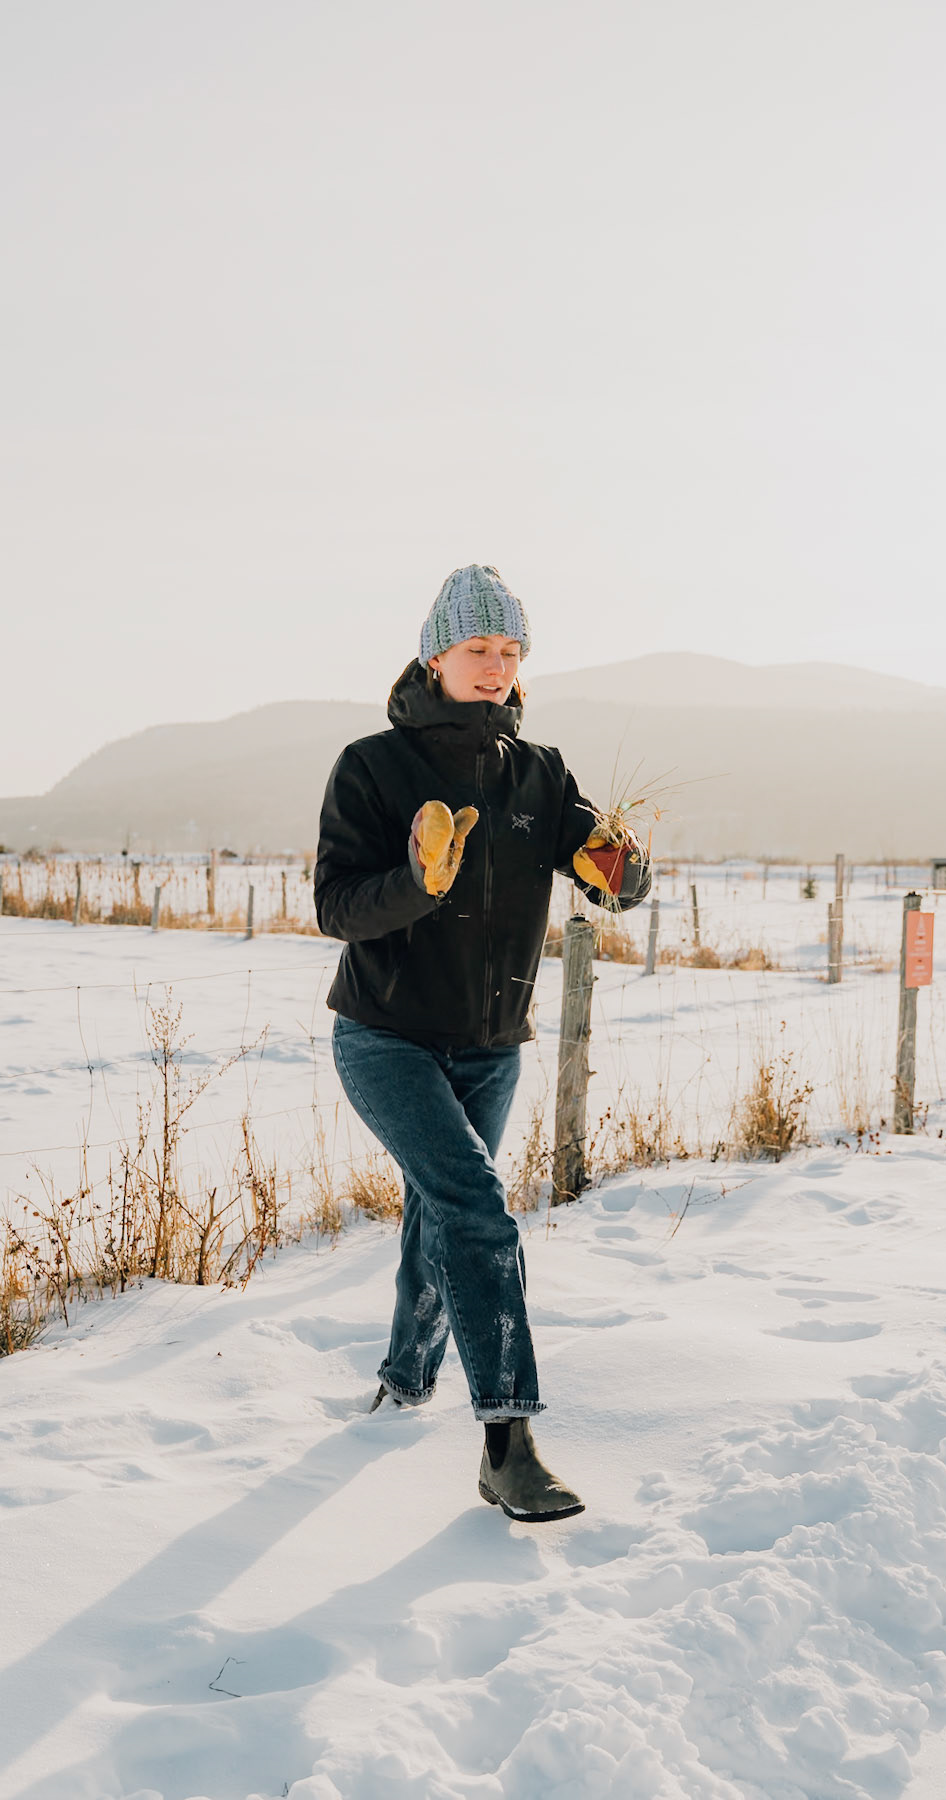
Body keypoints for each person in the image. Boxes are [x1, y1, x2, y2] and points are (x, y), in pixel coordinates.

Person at [314, 564, 651, 1522]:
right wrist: (418, 883)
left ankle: (402, 1383)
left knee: (440, 1212)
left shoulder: (537, 772)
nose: (496, 667)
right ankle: (507, 1443)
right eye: (478, 650)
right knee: (476, 1210)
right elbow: (336, 906)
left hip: (492, 1045)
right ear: (434, 656)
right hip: (384, 1040)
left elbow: (608, 875)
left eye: (510, 652)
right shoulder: (370, 768)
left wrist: (623, 870)